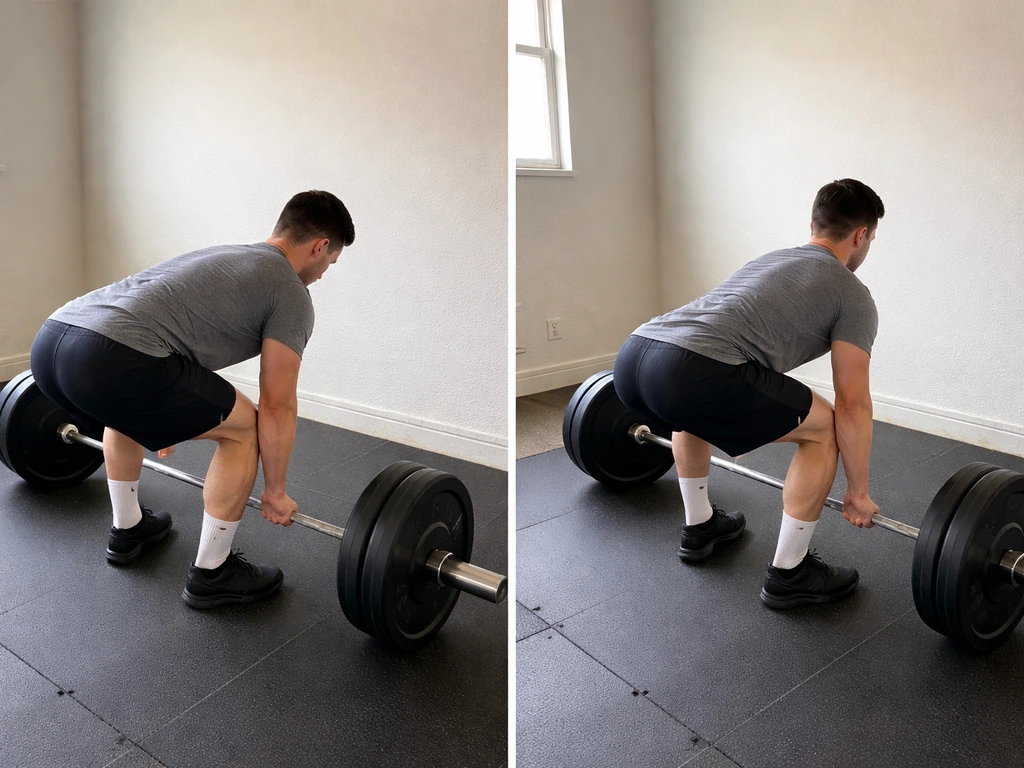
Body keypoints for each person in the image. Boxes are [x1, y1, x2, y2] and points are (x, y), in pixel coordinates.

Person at [29, 190, 354, 608]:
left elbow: (160, 329)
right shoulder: (290, 292)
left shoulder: (226, 256)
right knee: (247, 429)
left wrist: (160, 416)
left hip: (53, 341)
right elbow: (277, 404)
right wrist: (275, 491)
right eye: (329, 263)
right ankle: (213, 572)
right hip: (114, 358)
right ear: (320, 246)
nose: (324, 273)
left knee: (119, 407)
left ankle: (128, 530)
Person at [614, 179, 883, 608]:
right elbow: (853, 402)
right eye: (870, 238)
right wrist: (858, 491)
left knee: (689, 411)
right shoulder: (853, 295)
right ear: (861, 235)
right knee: (827, 427)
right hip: (693, 370)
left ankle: (700, 526)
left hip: (634, 356)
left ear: (814, 224)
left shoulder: (770, 260)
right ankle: (790, 573)